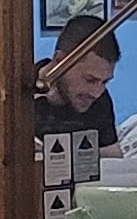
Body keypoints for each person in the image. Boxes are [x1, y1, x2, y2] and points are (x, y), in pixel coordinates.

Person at [34, 14, 119, 150]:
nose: (96, 93)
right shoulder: (22, 95)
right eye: (90, 80)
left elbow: (113, 153)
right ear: (60, 62)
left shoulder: (99, 99)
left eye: (105, 82)